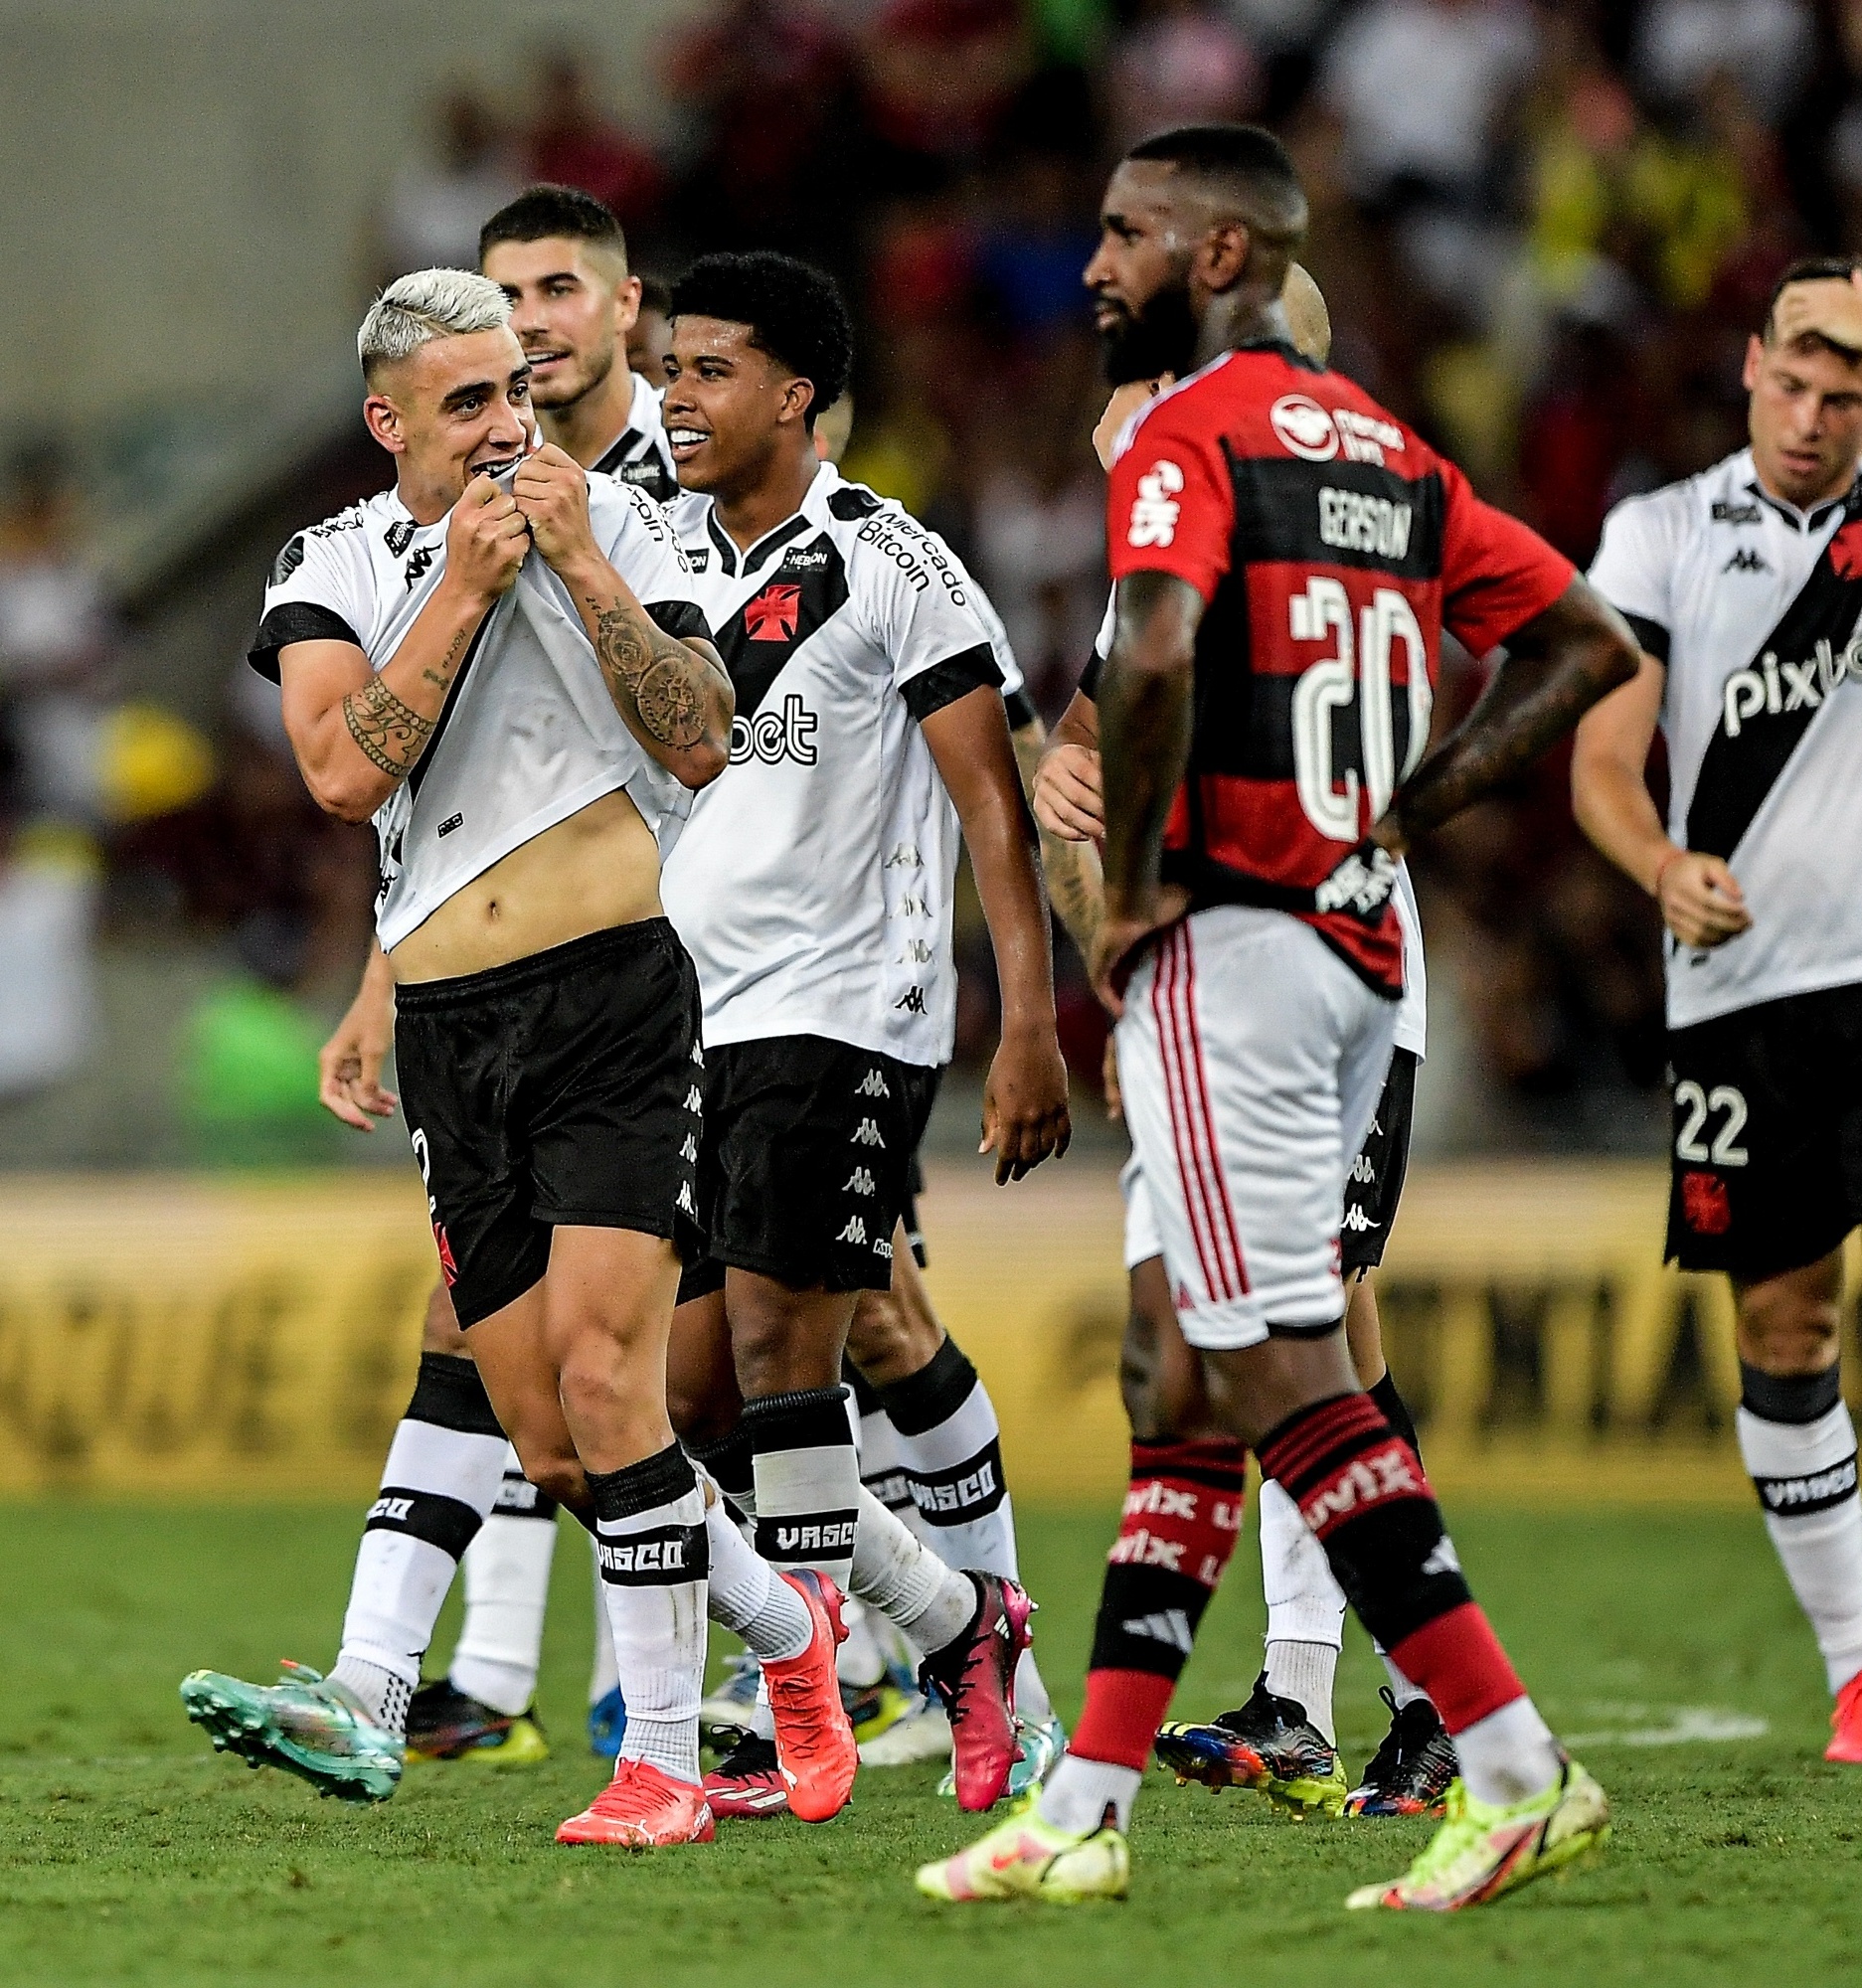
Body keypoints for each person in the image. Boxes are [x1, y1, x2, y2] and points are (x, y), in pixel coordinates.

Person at [918, 122, 1639, 1911]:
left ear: (1220, 256)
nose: (1092, 267)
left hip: (1228, 944)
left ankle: (1507, 1761)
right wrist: (1419, 805)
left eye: (1123, 234)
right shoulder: (1396, 456)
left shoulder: (1184, 433)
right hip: (1350, 949)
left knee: (1272, 1368)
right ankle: (1084, 1806)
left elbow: (1149, 653)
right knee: (1181, 1377)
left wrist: (1146, 880)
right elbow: (1583, 644)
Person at [177, 266, 854, 1852]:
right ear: (389, 417)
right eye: (469, 400)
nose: (505, 427)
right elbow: (343, 774)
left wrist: (578, 569)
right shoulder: (334, 561)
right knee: (545, 1435)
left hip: (622, 997)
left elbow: (703, 737)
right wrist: (469, 589)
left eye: (522, 394)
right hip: (452, 1030)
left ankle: (664, 1768)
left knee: (614, 1381)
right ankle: (796, 1631)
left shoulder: (631, 523)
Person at [1030, 263, 1458, 1825]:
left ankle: (1425, 1715)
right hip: (1216, 982)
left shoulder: (1312, 521)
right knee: (1249, 1339)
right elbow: (1084, 751)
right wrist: (1095, 885)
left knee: (1305, 1327)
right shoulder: (1187, 520)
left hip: (1316, 965)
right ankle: (1307, 1702)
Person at [653, 249, 1072, 1816]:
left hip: (844, 1005)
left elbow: (989, 802)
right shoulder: (660, 555)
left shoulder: (896, 561)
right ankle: (964, 1627)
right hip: (684, 1014)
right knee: (683, 1398)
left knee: (781, 1350)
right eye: (674, 367)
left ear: (796, 395)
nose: (677, 396)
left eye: (708, 370)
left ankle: (799, 1708)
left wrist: (1022, 1023)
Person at [1573, 255, 1862, 1765]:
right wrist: (1656, 860)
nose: (1811, 417)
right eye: (1791, 381)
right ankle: (1857, 1665)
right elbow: (1602, 758)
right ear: (1746, 366)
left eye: (1845, 389)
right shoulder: (1662, 532)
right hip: (1744, 992)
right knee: (1786, 1325)